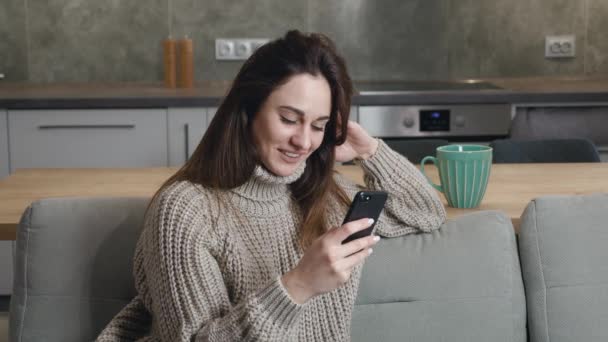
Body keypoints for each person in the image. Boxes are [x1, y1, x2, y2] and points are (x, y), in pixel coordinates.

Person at [96, 30, 446, 341]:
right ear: (248, 110)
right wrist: (299, 285)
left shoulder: (328, 195)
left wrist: (369, 150)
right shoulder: (186, 210)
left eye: (319, 125)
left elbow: (426, 212)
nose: (303, 141)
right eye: (289, 119)